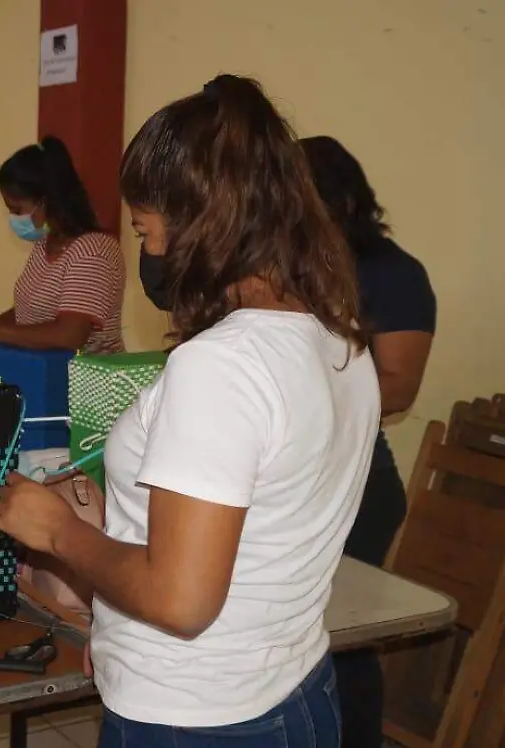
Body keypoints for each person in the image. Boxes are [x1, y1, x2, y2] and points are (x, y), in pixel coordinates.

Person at [0, 75, 379, 748]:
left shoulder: (220, 368)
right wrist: (122, 633)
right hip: (293, 689)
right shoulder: (339, 337)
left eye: (145, 229)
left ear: (205, 220)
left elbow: (180, 600)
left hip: (200, 721)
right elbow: (261, 535)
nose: (152, 254)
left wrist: (59, 532)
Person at [301, 134, 437, 748]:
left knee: (344, 638)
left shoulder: (394, 274)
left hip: (359, 483)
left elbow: (399, 388)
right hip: (304, 475)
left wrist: (295, 405)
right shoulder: (302, 270)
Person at [0, 136, 124, 353]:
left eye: (17, 210)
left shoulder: (93, 251)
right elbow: (29, 313)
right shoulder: (44, 245)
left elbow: (69, 335)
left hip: (86, 384)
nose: (14, 219)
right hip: (44, 376)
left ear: (46, 201)